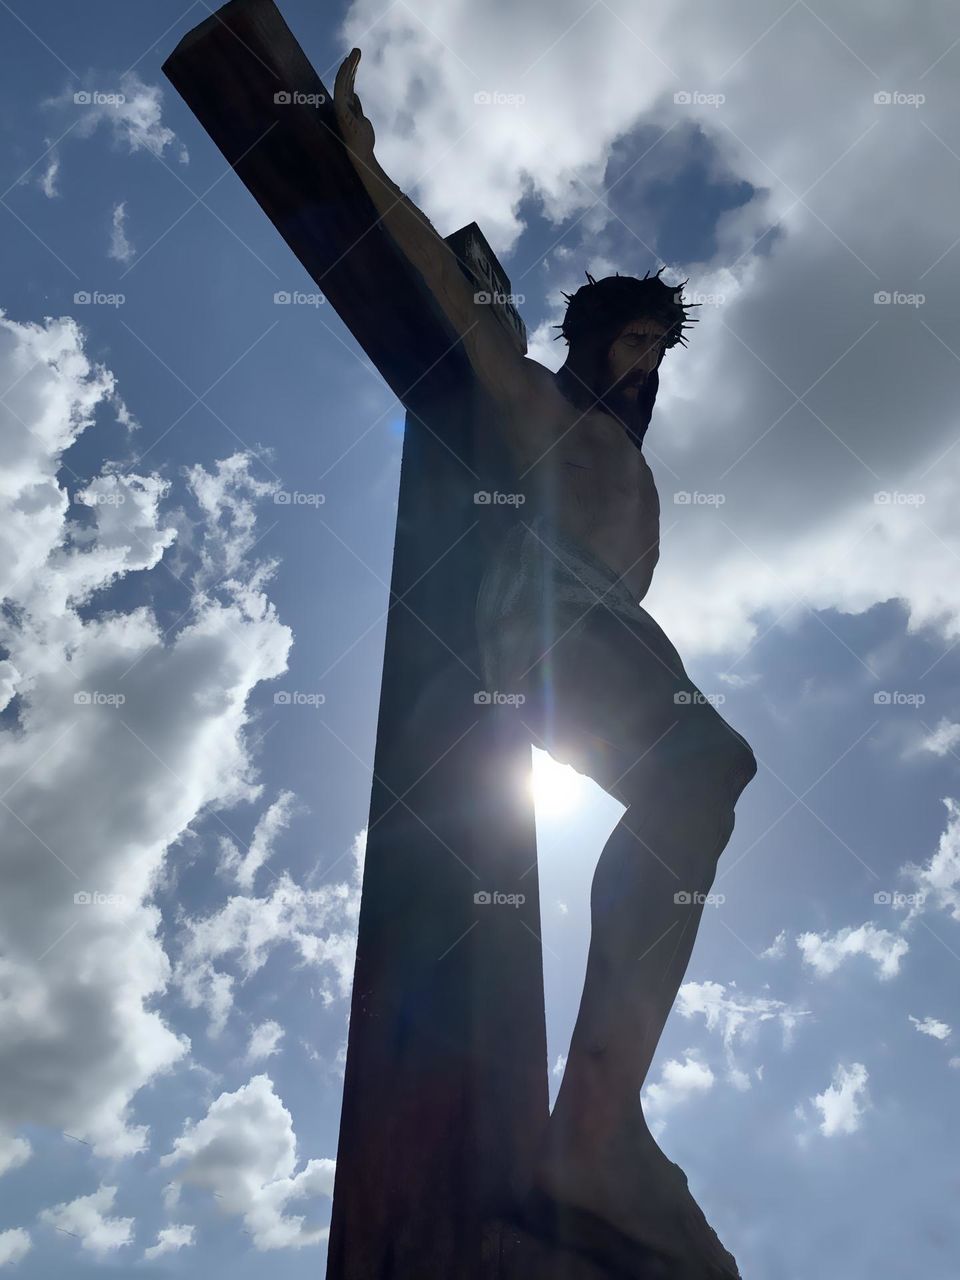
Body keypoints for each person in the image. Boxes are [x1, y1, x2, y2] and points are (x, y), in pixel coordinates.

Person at [334, 49, 756, 1279]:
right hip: (548, 616)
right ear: (591, 340)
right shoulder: (537, 402)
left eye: (659, 347)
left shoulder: (635, 461)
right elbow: (447, 289)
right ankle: (596, 1128)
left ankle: (604, 1117)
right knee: (702, 762)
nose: (647, 362)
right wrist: (359, 162)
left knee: (705, 777)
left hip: (613, 630)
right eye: (632, 340)